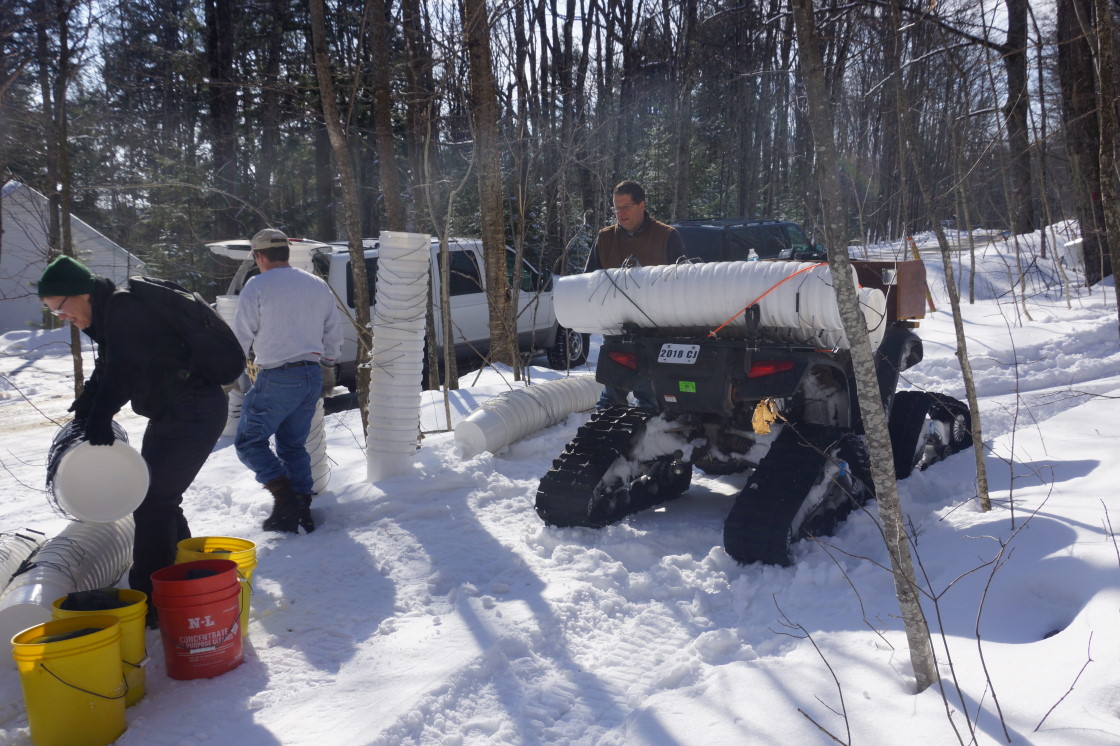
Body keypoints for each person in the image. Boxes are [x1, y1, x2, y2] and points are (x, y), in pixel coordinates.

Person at [37, 255, 226, 625]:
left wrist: (102, 414)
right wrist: (88, 405)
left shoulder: (124, 309)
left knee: (154, 502)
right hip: (175, 410)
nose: (63, 318)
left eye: (60, 308)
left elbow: (127, 366)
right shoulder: (112, 314)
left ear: (82, 294)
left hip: (195, 409)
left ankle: (152, 600)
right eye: (54, 313)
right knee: (156, 498)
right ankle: (181, 578)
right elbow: (109, 366)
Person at [233, 228, 342, 534]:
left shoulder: (257, 285)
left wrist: (229, 371)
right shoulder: (316, 284)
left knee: (248, 442)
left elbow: (240, 335)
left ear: (259, 256)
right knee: (293, 445)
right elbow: (333, 331)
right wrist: (328, 365)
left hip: (278, 376)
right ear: (286, 253)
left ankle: (286, 499)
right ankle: (301, 510)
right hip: (311, 374)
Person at [585, 180, 685, 410]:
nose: (620, 214)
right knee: (612, 393)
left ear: (642, 205)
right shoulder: (605, 238)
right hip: (616, 328)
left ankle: (649, 425)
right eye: (616, 208)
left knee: (650, 396)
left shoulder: (667, 236)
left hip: (656, 330)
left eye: (626, 207)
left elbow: (682, 285)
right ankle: (607, 425)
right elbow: (590, 281)